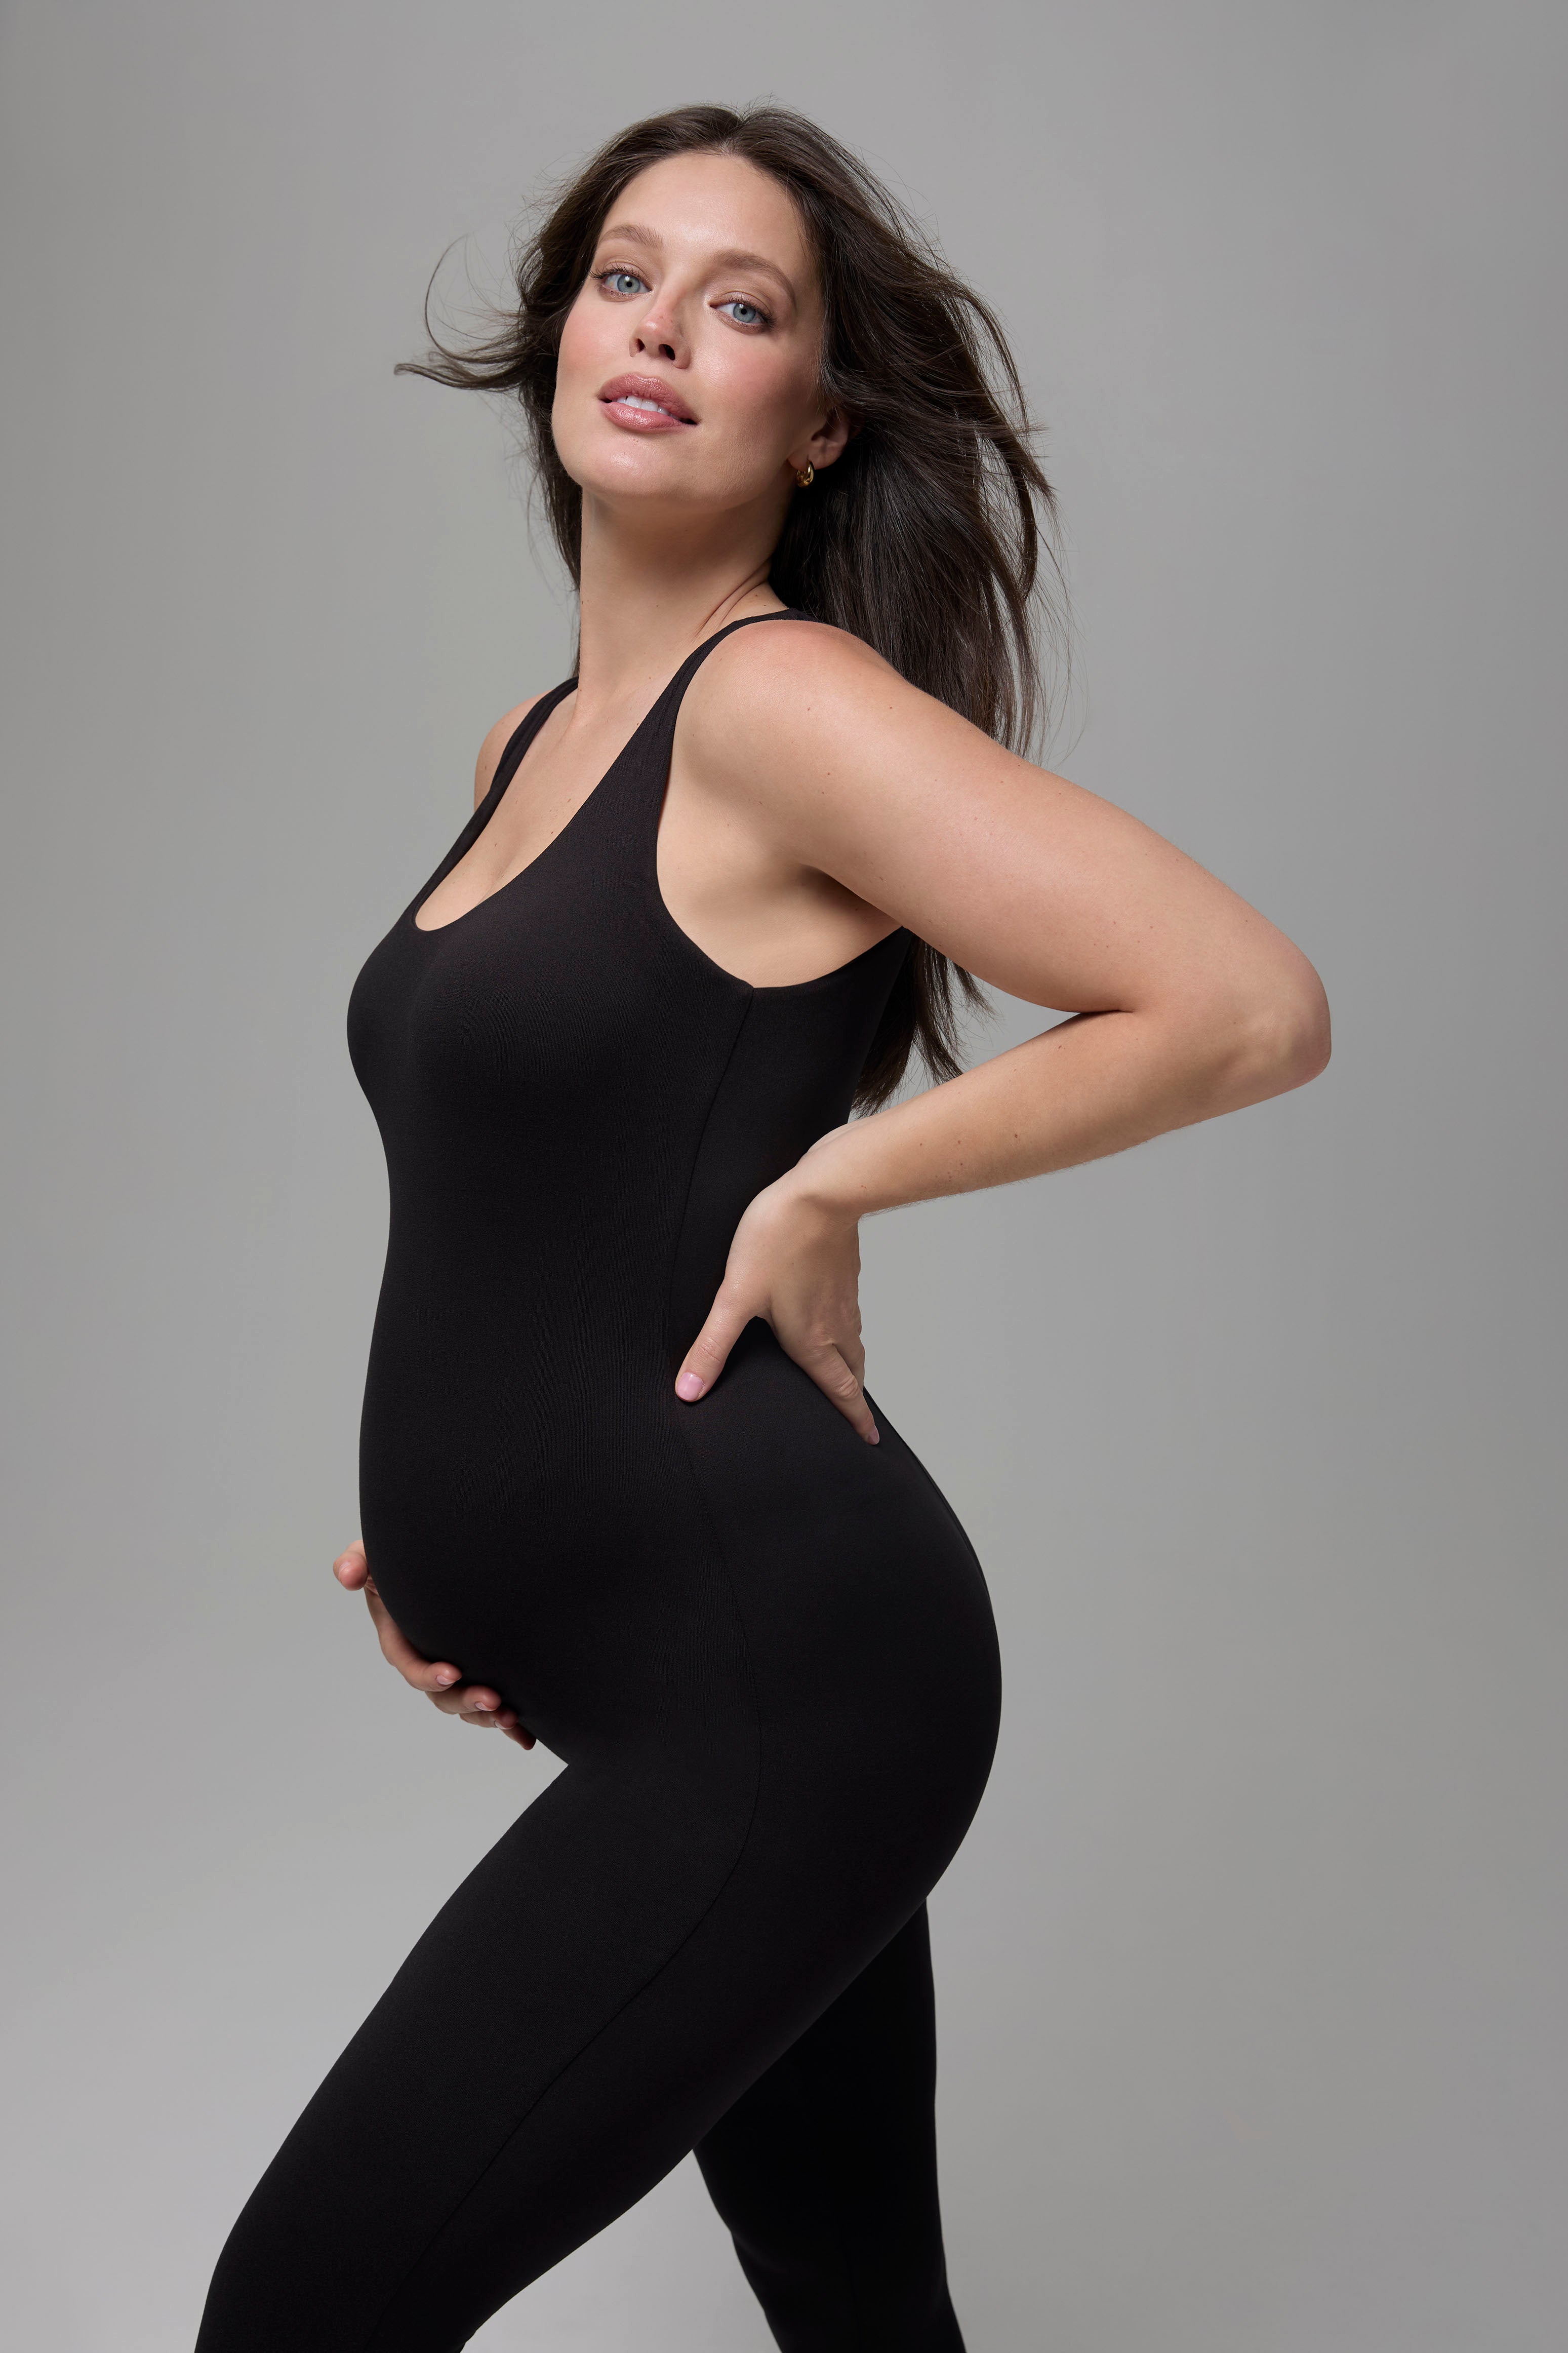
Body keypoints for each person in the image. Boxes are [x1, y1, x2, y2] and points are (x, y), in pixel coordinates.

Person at [194, 101, 1329, 2353]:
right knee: (847, 2290)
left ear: (814, 427)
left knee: (299, 2312)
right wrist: (437, 1532)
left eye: (743, 308)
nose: (664, 330)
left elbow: (1246, 1002)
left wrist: (839, 1176)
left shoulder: (778, 703)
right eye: (628, 275)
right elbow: (532, 1209)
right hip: (648, 1661)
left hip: (784, 1675)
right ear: (557, 338)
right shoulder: (542, 732)